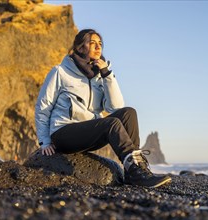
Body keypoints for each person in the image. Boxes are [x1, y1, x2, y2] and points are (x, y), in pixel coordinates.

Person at [35, 29, 171, 188]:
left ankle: (134, 172)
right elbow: (43, 106)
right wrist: (44, 141)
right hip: (63, 133)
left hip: (89, 133)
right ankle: (136, 172)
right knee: (111, 123)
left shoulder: (101, 75)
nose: (98, 47)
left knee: (129, 113)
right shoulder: (60, 72)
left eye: (100, 44)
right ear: (80, 47)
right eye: (92, 43)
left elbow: (115, 107)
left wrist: (107, 75)